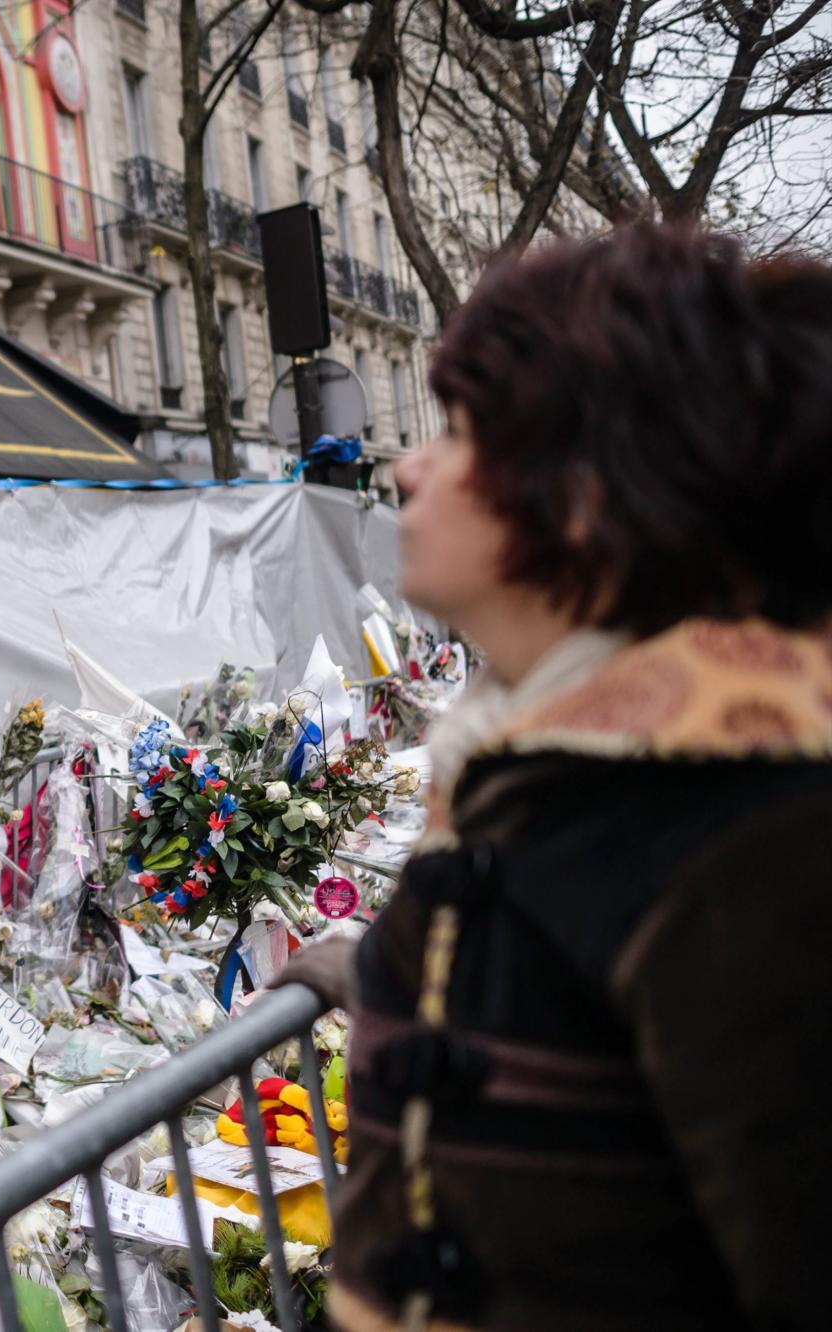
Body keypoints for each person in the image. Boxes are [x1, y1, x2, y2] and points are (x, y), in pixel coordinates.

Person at [280, 224, 832, 1331]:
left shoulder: (742, 823)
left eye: (461, 433)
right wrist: (382, 978)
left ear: (583, 493)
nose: (407, 467)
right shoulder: (564, 762)